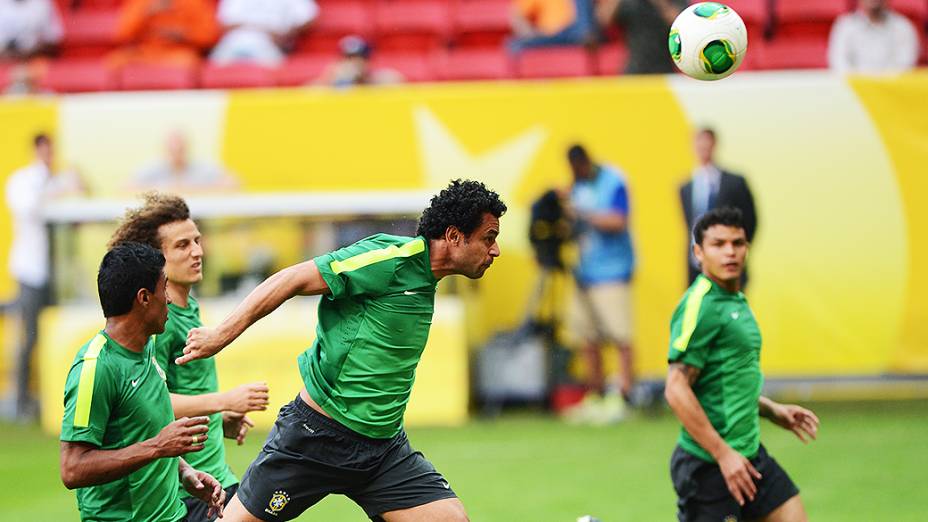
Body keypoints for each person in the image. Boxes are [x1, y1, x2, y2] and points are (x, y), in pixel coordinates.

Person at [176, 179, 506, 521]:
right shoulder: (390, 259)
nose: (494, 250)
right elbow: (291, 279)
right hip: (316, 437)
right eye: (488, 238)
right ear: (454, 236)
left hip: (383, 449)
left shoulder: (426, 280)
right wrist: (220, 335)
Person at [108, 192, 271, 521]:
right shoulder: (159, 323)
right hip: (190, 490)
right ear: (157, 258)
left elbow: (182, 394)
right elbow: (148, 401)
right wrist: (225, 400)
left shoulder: (188, 307)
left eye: (197, 240)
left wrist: (216, 421)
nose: (197, 251)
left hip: (215, 480)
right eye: (182, 245)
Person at [665, 207, 820, 522]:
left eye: (737, 243)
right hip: (710, 466)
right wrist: (723, 455)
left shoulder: (734, 300)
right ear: (698, 252)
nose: (729, 252)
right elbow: (676, 388)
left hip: (749, 456)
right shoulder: (701, 306)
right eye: (718, 244)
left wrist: (770, 409)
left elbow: (723, 381)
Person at [59, 242, 226, 521]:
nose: (169, 298)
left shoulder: (148, 348)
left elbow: (144, 434)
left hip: (174, 514)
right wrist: (159, 447)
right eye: (165, 287)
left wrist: (183, 471)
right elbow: (72, 468)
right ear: (144, 298)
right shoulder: (96, 368)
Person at [5, 133, 84, 421]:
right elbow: (29, 209)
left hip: (57, 273)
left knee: (54, 335)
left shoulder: (58, 180)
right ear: (38, 150)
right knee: (29, 337)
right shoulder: (24, 181)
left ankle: (54, 398)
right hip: (31, 270)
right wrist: (57, 189)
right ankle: (22, 402)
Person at [560, 144, 635, 424]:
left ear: (586, 162)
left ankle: (624, 396)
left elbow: (618, 220)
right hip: (584, 272)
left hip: (612, 271)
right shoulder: (575, 186)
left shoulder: (613, 180)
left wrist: (583, 216)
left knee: (620, 335)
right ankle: (596, 394)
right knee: (588, 338)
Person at [680, 128, 756, 286]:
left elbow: (751, 220)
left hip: (729, 267)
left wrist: (735, 250)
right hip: (697, 268)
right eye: (699, 144)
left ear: (714, 145)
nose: (703, 148)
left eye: (706, 143)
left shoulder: (735, 183)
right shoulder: (686, 187)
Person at [109, 0, 220, 67]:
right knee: (116, 61)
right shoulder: (141, 3)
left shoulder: (193, 2)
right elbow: (122, 35)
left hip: (177, 52)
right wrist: (147, 12)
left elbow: (210, 36)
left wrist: (183, 35)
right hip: (145, 52)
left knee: (187, 62)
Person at [210, 0, 318, 67]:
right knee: (214, 70)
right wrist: (261, 29)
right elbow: (224, 24)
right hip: (234, 42)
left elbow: (309, 18)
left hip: (269, 44)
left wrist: (287, 34)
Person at [828, 0, 919, 74]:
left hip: (892, 92)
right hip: (854, 92)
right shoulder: (844, 26)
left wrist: (878, 86)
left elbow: (904, 67)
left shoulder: (903, 27)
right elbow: (839, 64)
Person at [130, 130, 238, 193]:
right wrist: (163, 191)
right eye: (172, 150)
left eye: (180, 149)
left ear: (187, 148)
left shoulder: (202, 167)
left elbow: (233, 183)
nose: (176, 154)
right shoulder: (153, 168)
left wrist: (194, 190)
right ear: (165, 149)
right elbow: (126, 187)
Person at [596, 0, 686, 74]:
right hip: (635, 69)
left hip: (664, 69)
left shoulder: (673, 2)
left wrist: (660, 3)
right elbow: (603, 20)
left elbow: (682, 25)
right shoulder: (632, 3)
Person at [508, 0, 597, 52]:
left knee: (583, 32)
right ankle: (585, 35)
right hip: (551, 36)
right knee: (515, 45)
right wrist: (532, 34)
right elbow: (518, 16)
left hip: (578, 31)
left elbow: (605, 14)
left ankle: (585, 34)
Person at [316, 35, 403, 88]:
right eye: (349, 58)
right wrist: (330, 81)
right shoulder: (330, 81)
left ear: (368, 61)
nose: (353, 63)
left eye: (359, 58)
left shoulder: (382, 79)